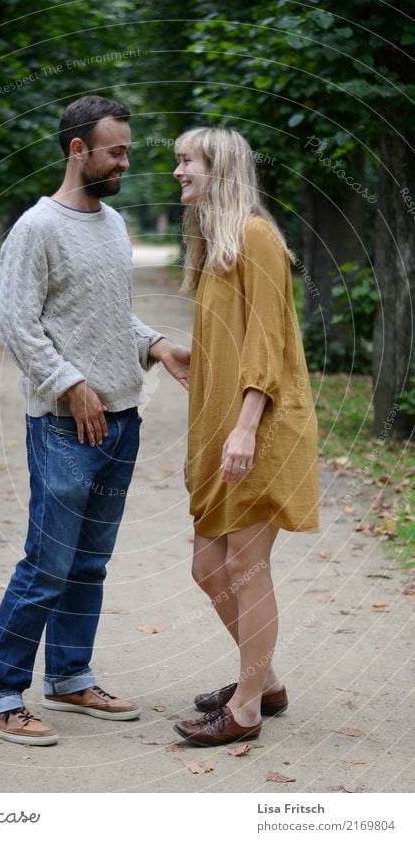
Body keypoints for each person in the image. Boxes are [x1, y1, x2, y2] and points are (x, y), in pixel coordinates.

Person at [0, 95, 190, 746]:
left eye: (126, 148)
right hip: (65, 427)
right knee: (47, 564)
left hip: (122, 421)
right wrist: (69, 385)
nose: (126, 159)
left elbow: (105, 314)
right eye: (115, 150)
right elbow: (16, 318)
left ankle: (69, 676)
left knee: (89, 565)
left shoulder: (114, 223)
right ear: (78, 150)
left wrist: (153, 343)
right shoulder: (37, 228)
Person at [171, 127, 319, 747]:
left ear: (220, 168)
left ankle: (247, 709)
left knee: (244, 565)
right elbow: (230, 340)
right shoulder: (218, 242)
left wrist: (244, 429)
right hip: (227, 425)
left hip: (261, 424)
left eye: (187, 162)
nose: (178, 171)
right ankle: (265, 681)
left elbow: (267, 342)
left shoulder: (256, 237)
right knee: (211, 566)